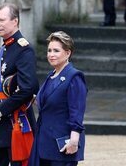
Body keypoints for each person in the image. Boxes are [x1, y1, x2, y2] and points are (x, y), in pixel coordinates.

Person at [0, 3, 39, 166]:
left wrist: (2, 108)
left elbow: (29, 88)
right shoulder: (7, 46)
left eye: (2, 20)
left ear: (15, 21)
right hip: (0, 123)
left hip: (17, 121)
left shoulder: (23, 50)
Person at [28, 31, 87, 166]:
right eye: (49, 50)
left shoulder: (74, 77)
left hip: (62, 144)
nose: (51, 54)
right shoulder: (51, 75)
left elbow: (77, 110)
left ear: (67, 53)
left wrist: (74, 140)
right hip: (43, 142)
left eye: (56, 51)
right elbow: (49, 102)